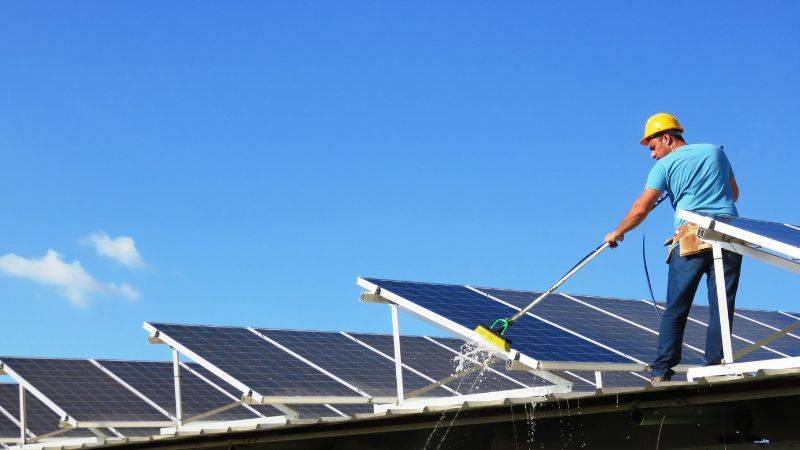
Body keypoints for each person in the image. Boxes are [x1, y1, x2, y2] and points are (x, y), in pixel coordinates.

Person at [603, 113, 742, 382]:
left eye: (653, 147)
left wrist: (618, 232)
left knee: (677, 306)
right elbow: (733, 193)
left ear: (667, 138)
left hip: (691, 237)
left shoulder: (664, 167)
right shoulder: (716, 152)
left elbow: (641, 207)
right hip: (729, 237)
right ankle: (716, 365)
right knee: (722, 307)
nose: (652, 155)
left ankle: (661, 370)